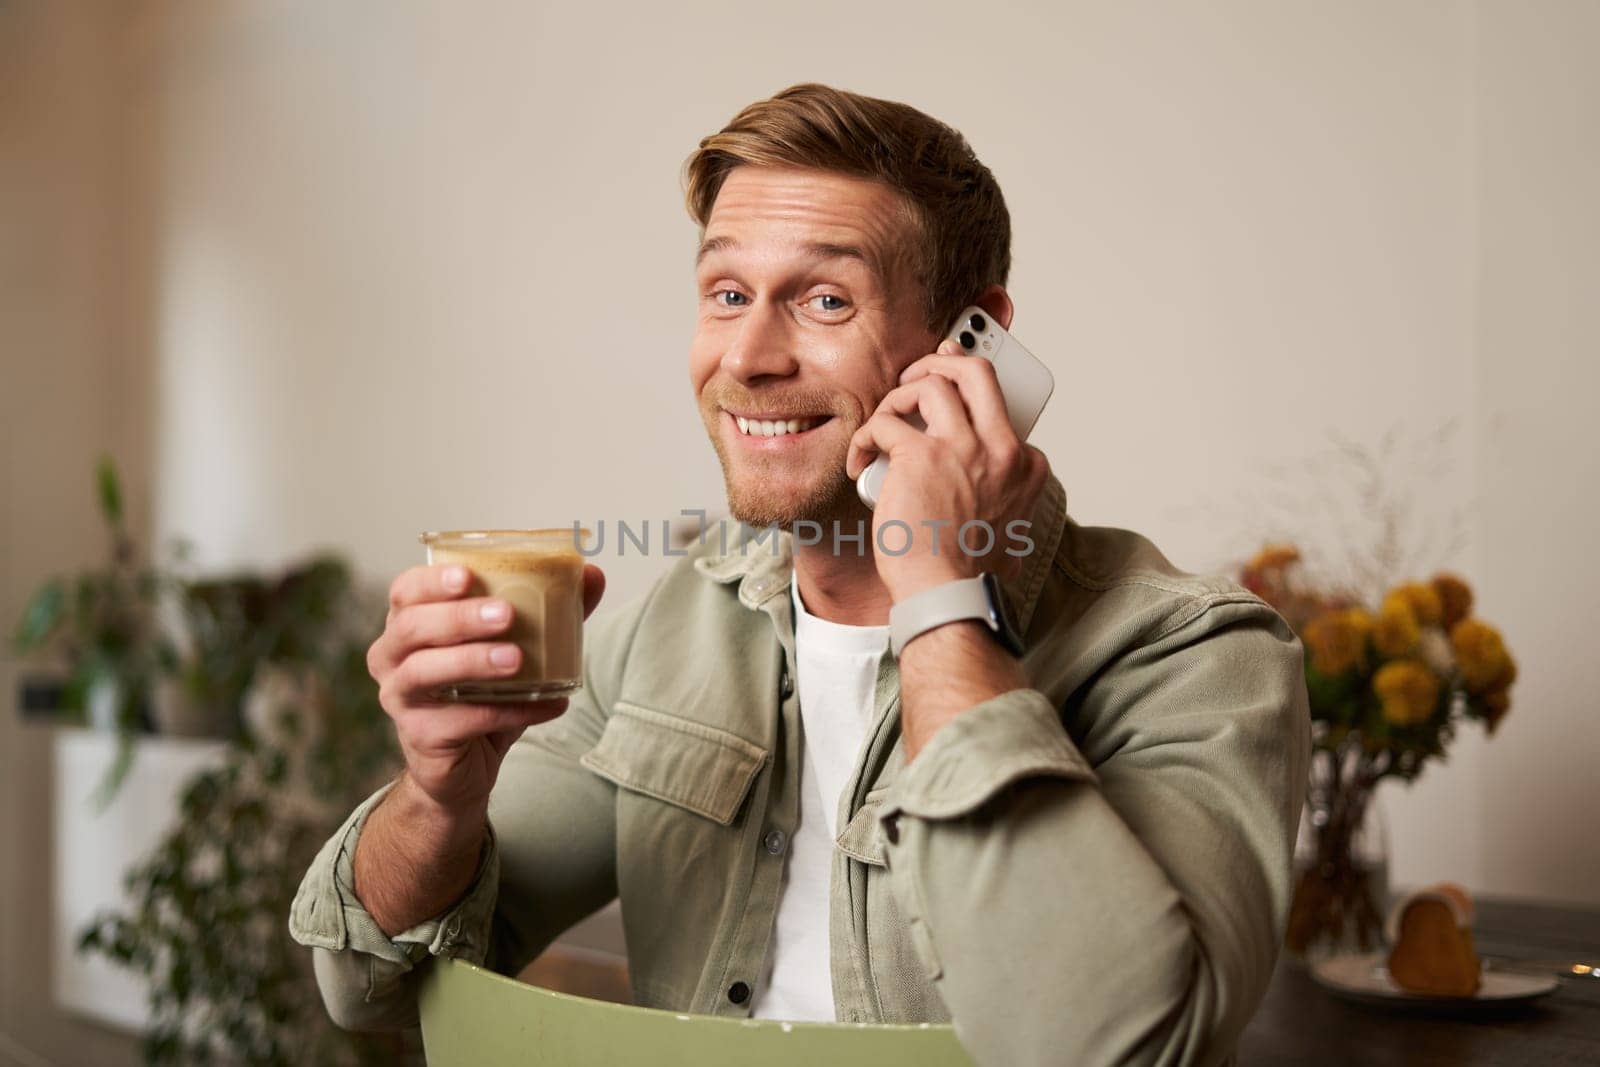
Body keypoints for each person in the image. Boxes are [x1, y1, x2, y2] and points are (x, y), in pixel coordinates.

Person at [290, 82, 1311, 1065]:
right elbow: (367, 988)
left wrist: (940, 593)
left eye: (824, 298)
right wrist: (437, 792)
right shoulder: (673, 624)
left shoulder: (1195, 655)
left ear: (976, 342)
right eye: (726, 292)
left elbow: (1117, 1046)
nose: (746, 354)